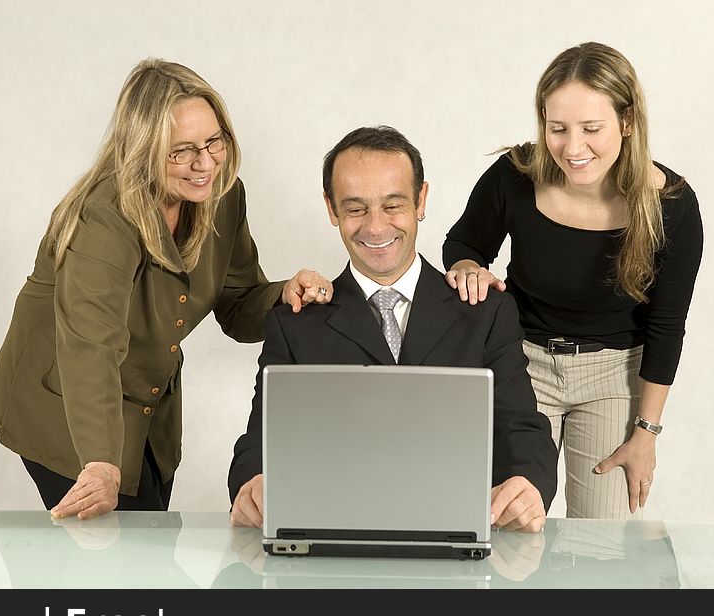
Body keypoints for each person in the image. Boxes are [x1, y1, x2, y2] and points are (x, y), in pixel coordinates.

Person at [0, 59, 333, 521]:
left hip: (148, 406)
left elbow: (237, 303)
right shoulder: (104, 217)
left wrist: (283, 293)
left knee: (145, 554)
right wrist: (102, 464)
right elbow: (91, 345)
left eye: (214, 141)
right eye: (180, 151)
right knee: (111, 566)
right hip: (68, 405)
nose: (204, 163)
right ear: (143, 149)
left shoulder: (223, 195)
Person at [228, 125, 558, 532]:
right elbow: (259, 439)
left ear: (421, 200)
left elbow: (520, 426)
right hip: (330, 539)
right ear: (331, 209)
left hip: (456, 538)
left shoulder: (484, 311)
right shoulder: (294, 322)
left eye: (392, 205)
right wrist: (252, 483)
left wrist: (528, 483)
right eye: (355, 209)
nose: (376, 228)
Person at [442, 42, 703, 519]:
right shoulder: (514, 176)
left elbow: (667, 326)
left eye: (591, 129)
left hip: (614, 376)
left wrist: (646, 434)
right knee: (507, 525)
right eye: (557, 129)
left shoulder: (674, 207)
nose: (572, 147)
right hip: (519, 365)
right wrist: (465, 269)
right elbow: (463, 245)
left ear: (627, 122)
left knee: (601, 548)